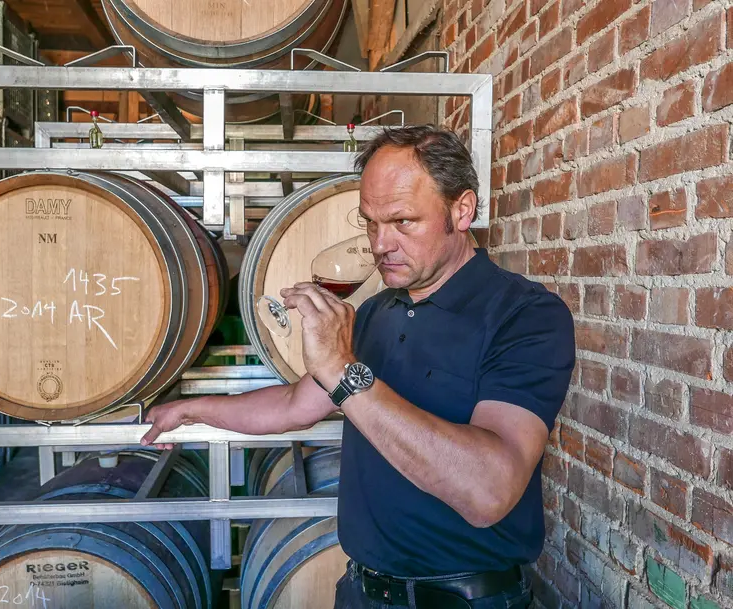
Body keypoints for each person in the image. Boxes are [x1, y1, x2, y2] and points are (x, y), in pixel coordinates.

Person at [141, 125, 576, 609]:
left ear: (462, 210)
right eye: (370, 222)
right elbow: (293, 405)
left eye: (403, 222)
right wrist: (192, 409)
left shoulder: (525, 315)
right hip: (362, 592)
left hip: (461, 599)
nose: (380, 244)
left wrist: (345, 373)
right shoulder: (376, 312)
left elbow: (488, 490)